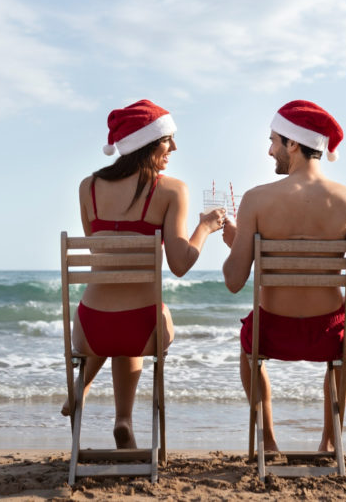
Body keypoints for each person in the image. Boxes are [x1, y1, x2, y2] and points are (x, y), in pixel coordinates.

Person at [65, 99, 226, 449]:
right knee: (137, 322)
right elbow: (180, 265)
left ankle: (82, 389)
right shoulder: (172, 190)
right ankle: (123, 419)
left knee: (115, 325)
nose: (174, 147)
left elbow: (99, 252)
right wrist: (205, 227)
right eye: (167, 139)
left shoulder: (88, 187)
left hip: (90, 330)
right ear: (146, 143)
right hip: (142, 330)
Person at [221, 100, 346, 453]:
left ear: (293, 143)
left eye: (273, 141)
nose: (270, 150)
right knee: (344, 343)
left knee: (249, 345)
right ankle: (329, 442)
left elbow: (233, 281)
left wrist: (236, 244)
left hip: (271, 333)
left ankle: (268, 442)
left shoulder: (256, 199)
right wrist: (338, 313)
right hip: (328, 335)